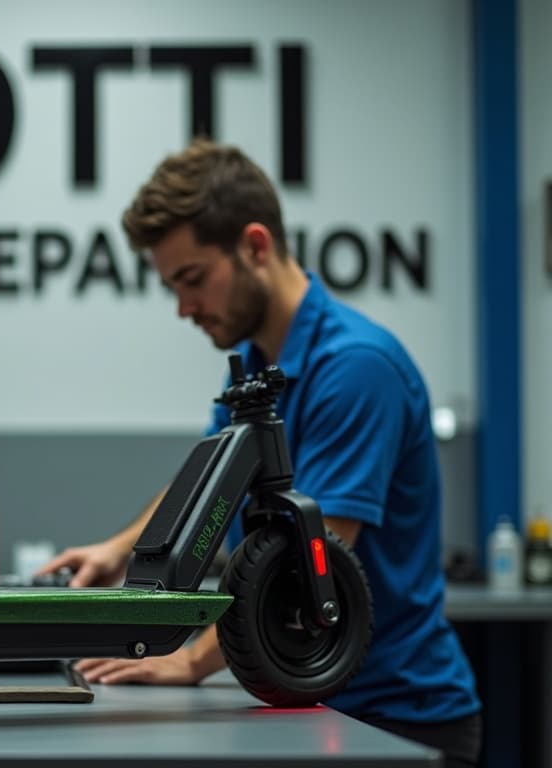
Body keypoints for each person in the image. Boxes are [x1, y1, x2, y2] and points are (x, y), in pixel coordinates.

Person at [37, 138, 482, 767]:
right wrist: (120, 549)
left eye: (192, 280)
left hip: (396, 715)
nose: (184, 308)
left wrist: (190, 658)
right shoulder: (256, 369)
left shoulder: (356, 368)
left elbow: (315, 555)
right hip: (310, 696)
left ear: (255, 246)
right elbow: (206, 483)